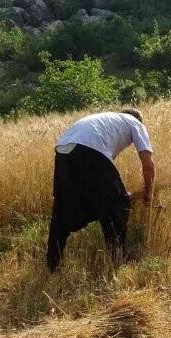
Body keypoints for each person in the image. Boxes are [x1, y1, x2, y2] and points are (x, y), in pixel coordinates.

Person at [46, 108, 156, 272]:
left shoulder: (106, 121)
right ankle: (118, 261)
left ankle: (53, 265)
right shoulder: (135, 123)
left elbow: (97, 184)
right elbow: (148, 164)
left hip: (62, 151)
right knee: (117, 205)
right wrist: (148, 194)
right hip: (89, 150)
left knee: (64, 208)